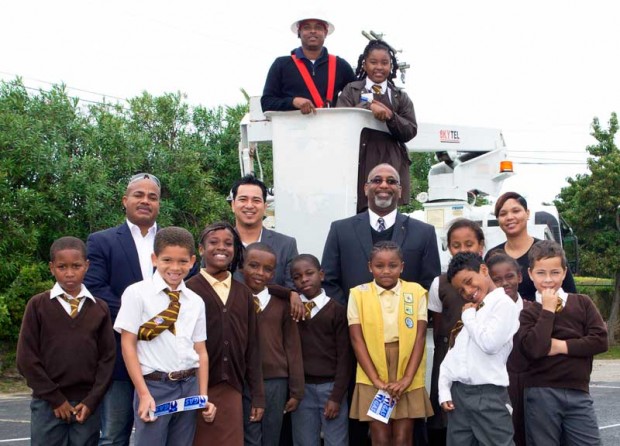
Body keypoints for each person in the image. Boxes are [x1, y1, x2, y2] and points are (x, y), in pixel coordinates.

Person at [114, 227, 216, 445]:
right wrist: (143, 394)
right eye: (167, 260)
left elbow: (200, 351)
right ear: (154, 259)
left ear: (192, 261)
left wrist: (202, 396)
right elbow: (128, 345)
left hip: (189, 386)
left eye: (182, 261)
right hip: (154, 387)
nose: (175, 268)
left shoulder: (195, 301)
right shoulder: (137, 293)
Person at [84, 172, 161, 445]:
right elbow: (95, 289)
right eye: (139, 195)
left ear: (159, 204)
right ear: (125, 200)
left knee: (161, 434)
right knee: (114, 436)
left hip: (164, 357)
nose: (145, 201)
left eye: (152, 197)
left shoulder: (171, 241)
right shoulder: (101, 241)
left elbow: (185, 288)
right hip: (117, 354)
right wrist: (143, 316)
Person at [17, 236, 116, 446]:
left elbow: (107, 359)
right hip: (47, 404)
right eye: (62, 267)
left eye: (76, 266)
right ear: (52, 268)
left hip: (86, 405)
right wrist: (56, 399)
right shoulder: (38, 305)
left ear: (86, 266)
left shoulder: (99, 308)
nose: (69, 273)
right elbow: (26, 359)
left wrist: (92, 400)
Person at [517, 240, 607, 446]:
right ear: (530, 274)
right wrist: (548, 310)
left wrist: (560, 346)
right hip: (540, 392)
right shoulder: (528, 311)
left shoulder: (582, 303)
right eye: (541, 273)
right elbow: (534, 348)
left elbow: (599, 340)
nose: (548, 279)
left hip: (578, 391)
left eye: (555, 272)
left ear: (565, 273)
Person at [186, 222, 265, 446]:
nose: (221, 247)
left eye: (228, 243)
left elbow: (253, 347)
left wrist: (258, 395)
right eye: (214, 242)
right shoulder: (189, 290)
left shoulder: (243, 293)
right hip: (196, 388)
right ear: (201, 249)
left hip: (232, 387)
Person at [348, 241, 433, 445]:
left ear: (402, 267)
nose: (386, 271)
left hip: (407, 367)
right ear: (370, 267)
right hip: (372, 367)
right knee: (380, 437)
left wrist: (407, 378)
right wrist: (376, 380)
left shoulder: (416, 292)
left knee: (403, 437)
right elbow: (357, 340)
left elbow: (420, 337)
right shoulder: (358, 294)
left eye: (393, 265)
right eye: (379, 266)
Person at [322, 163, 440, 305]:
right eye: (377, 180)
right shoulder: (340, 230)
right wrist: (350, 313)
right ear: (366, 188)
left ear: (400, 191)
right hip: (352, 317)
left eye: (391, 181)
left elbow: (431, 284)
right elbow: (329, 280)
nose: (384, 185)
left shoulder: (424, 233)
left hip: (406, 317)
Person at [439, 252, 520, 446]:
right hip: (459, 394)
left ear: (483, 270)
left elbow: (489, 344)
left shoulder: (503, 305)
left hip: (489, 394)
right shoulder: (473, 309)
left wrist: (468, 317)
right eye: (461, 290)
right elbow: (454, 355)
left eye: (469, 281)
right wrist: (444, 389)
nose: (467, 291)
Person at [337, 39, 417, 212]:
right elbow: (340, 122)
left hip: (391, 163)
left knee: (387, 214)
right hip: (358, 166)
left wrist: (391, 116)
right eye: (373, 62)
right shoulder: (351, 90)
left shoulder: (400, 96)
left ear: (391, 66)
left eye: (384, 63)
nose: (379, 67)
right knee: (359, 216)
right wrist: (368, 107)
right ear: (364, 64)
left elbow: (410, 130)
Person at [426, 219, 485, 446]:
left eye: (469, 244)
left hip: (483, 364)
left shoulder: (488, 280)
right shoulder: (439, 283)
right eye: (456, 245)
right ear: (448, 248)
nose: (462, 250)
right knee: (448, 423)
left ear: (481, 246)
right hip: (449, 362)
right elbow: (440, 325)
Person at [239, 243, 305, 446]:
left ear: (274, 273)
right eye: (254, 266)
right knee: (248, 436)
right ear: (241, 266)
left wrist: (296, 389)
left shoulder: (282, 304)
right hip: (243, 380)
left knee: (272, 436)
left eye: (267, 269)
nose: (260, 273)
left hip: (275, 381)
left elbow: (293, 347)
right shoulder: (234, 299)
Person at [290, 254, 351, 446]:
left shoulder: (337, 311)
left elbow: (345, 357)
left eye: (309, 273)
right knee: (304, 442)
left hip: (331, 388)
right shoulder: (291, 309)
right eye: (297, 277)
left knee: (336, 441)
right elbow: (269, 290)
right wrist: (289, 293)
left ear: (321, 275)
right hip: (302, 391)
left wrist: (336, 397)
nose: (304, 279)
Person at [485, 191, 576, 301]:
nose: (509, 217)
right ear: (498, 219)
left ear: (527, 213)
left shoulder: (548, 251)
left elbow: (571, 295)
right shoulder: (492, 255)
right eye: (503, 214)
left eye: (516, 211)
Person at [261, 14, 355, 114]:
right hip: (292, 124)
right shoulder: (281, 65)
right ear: (299, 32)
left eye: (318, 27)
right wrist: (293, 102)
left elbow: (357, 96)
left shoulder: (340, 66)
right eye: (306, 27)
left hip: (330, 123)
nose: (313, 31)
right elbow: (266, 103)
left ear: (325, 32)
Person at [487, 252, 528, 446]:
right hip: (498, 388)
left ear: (519, 277)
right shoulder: (483, 314)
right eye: (497, 279)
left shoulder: (532, 310)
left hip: (529, 387)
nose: (504, 283)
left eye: (509, 276)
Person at [231, 175, 298, 289]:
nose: (249, 205)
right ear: (233, 205)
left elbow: (293, 291)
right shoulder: (219, 244)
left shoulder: (286, 245)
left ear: (265, 207)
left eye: (256, 200)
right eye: (243, 199)